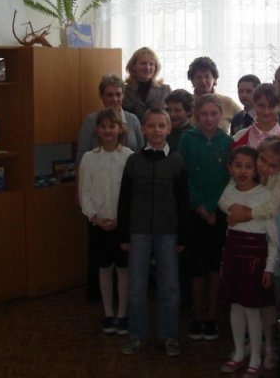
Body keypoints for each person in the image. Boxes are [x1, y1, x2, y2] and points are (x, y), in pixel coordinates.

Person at [118, 108, 189, 356]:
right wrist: (123, 234)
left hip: (168, 232)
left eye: (161, 126)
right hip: (138, 232)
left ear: (169, 129)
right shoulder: (133, 161)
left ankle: (169, 335)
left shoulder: (177, 161)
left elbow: (183, 201)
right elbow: (124, 199)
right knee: (136, 287)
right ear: (143, 129)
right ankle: (137, 335)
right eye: (151, 126)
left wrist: (183, 235)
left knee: (169, 287)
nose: (156, 130)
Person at [76, 73, 144, 302]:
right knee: (100, 252)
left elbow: (141, 151)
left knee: (124, 253)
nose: (114, 99)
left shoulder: (133, 120)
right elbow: (81, 155)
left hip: (125, 196)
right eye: (109, 95)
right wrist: (80, 195)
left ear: (123, 96)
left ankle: (124, 299)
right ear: (102, 97)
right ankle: (100, 296)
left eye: (118, 94)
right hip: (98, 194)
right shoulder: (92, 121)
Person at [218, 146, 277, 378]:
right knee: (235, 306)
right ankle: (239, 353)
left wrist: (270, 267)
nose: (243, 171)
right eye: (238, 165)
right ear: (229, 168)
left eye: (248, 166)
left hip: (255, 258)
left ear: (256, 169)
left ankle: (255, 358)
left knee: (252, 310)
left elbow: (273, 238)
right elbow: (226, 219)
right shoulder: (228, 192)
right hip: (233, 255)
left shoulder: (265, 195)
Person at [178, 94, 233, 341]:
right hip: (194, 214)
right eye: (204, 114)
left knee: (214, 266)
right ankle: (197, 316)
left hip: (219, 213)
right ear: (196, 116)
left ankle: (211, 317)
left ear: (221, 115)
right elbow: (184, 175)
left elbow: (228, 178)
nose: (209, 119)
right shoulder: (187, 139)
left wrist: (212, 207)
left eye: (213, 114)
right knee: (197, 268)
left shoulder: (228, 141)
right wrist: (201, 206)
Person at [78, 108, 133, 335]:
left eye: (112, 125)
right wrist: (95, 217)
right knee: (104, 268)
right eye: (103, 126)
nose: (108, 130)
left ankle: (122, 314)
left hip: (122, 225)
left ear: (120, 129)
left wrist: (121, 220)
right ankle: (108, 313)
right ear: (97, 130)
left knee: (123, 269)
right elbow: (85, 192)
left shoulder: (129, 156)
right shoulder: (89, 158)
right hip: (99, 224)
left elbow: (132, 194)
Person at [233, 83, 280, 167]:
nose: (266, 112)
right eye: (261, 106)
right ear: (254, 105)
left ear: (279, 106)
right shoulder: (239, 138)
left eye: (271, 106)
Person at [187, 56, 241, 133]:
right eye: (199, 77)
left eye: (207, 77)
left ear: (214, 79)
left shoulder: (227, 102)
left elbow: (245, 120)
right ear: (192, 81)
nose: (203, 81)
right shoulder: (186, 103)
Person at [122, 46, 171, 122]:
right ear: (133, 66)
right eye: (143, 63)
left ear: (156, 67)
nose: (147, 68)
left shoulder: (165, 90)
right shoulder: (124, 91)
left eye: (151, 64)